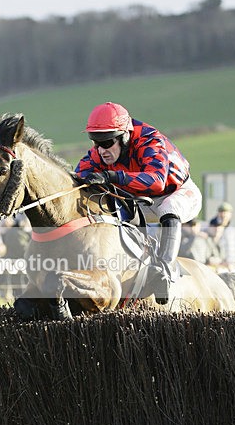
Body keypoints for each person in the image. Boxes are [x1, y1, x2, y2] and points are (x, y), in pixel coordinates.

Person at [75, 101, 202, 302]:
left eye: (107, 142)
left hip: (176, 193)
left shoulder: (149, 140)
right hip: (140, 199)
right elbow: (77, 176)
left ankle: (164, 272)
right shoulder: (101, 151)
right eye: (96, 142)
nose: (101, 150)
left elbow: (157, 182)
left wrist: (112, 177)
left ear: (124, 136)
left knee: (169, 208)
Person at [208, 202, 235, 269]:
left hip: (232, 263)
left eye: (226, 212)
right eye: (221, 212)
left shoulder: (231, 230)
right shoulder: (213, 225)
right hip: (218, 262)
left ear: (230, 214)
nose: (223, 214)